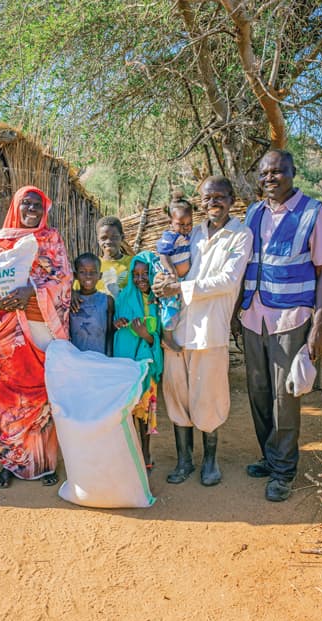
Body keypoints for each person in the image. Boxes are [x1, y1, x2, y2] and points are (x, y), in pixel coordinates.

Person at [235, 149, 322, 502]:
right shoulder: (254, 212)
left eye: (277, 172)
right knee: (259, 392)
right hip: (254, 316)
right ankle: (269, 455)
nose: (269, 179)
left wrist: (318, 326)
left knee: (285, 396)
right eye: (264, 173)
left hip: (291, 318)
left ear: (294, 173)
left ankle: (284, 470)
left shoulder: (313, 213)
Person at [152, 176, 252, 487]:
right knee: (177, 395)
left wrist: (179, 287)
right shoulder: (192, 233)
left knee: (208, 397)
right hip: (178, 329)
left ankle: (210, 460)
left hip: (210, 330)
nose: (213, 204)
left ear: (232, 198)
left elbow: (227, 280)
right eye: (207, 199)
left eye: (219, 197)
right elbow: (166, 263)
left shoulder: (240, 235)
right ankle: (184, 461)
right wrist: (161, 281)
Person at [0, 185, 73, 489]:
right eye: (26, 204)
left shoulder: (52, 240)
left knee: (44, 398)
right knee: (7, 402)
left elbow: (64, 280)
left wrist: (32, 292)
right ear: (16, 206)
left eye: (37, 206)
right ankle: (11, 463)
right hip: (7, 339)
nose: (32, 210)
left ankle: (44, 463)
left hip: (43, 332)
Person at [112, 252, 163, 470]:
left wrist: (146, 335)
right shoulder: (124, 297)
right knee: (128, 411)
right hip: (127, 363)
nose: (140, 279)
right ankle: (130, 454)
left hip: (147, 363)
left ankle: (145, 453)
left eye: (146, 274)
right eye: (136, 274)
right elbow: (115, 325)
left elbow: (162, 334)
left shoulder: (160, 301)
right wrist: (119, 323)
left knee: (144, 412)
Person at [152, 194, 194, 352]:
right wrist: (171, 273)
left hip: (180, 279)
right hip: (170, 278)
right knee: (170, 308)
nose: (185, 227)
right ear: (171, 222)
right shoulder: (170, 236)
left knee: (177, 308)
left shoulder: (187, 236)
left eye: (189, 223)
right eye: (180, 224)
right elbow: (163, 255)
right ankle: (167, 337)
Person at [70, 252, 114, 355]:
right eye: (82, 272)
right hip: (75, 357)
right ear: (75, 275)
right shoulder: (69, 300)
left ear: (100, 275)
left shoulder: (107, 300)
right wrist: (71, 292)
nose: (88, 276)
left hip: (100, 356)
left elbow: (109, 332)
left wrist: (108, 357)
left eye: (93, 272)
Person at [95, 216, 132, 297]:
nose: (108, 241)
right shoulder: (93, 266)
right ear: (98, 240)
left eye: (114, 237)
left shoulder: (132, 263)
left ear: (122, 238)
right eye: (103, 238)